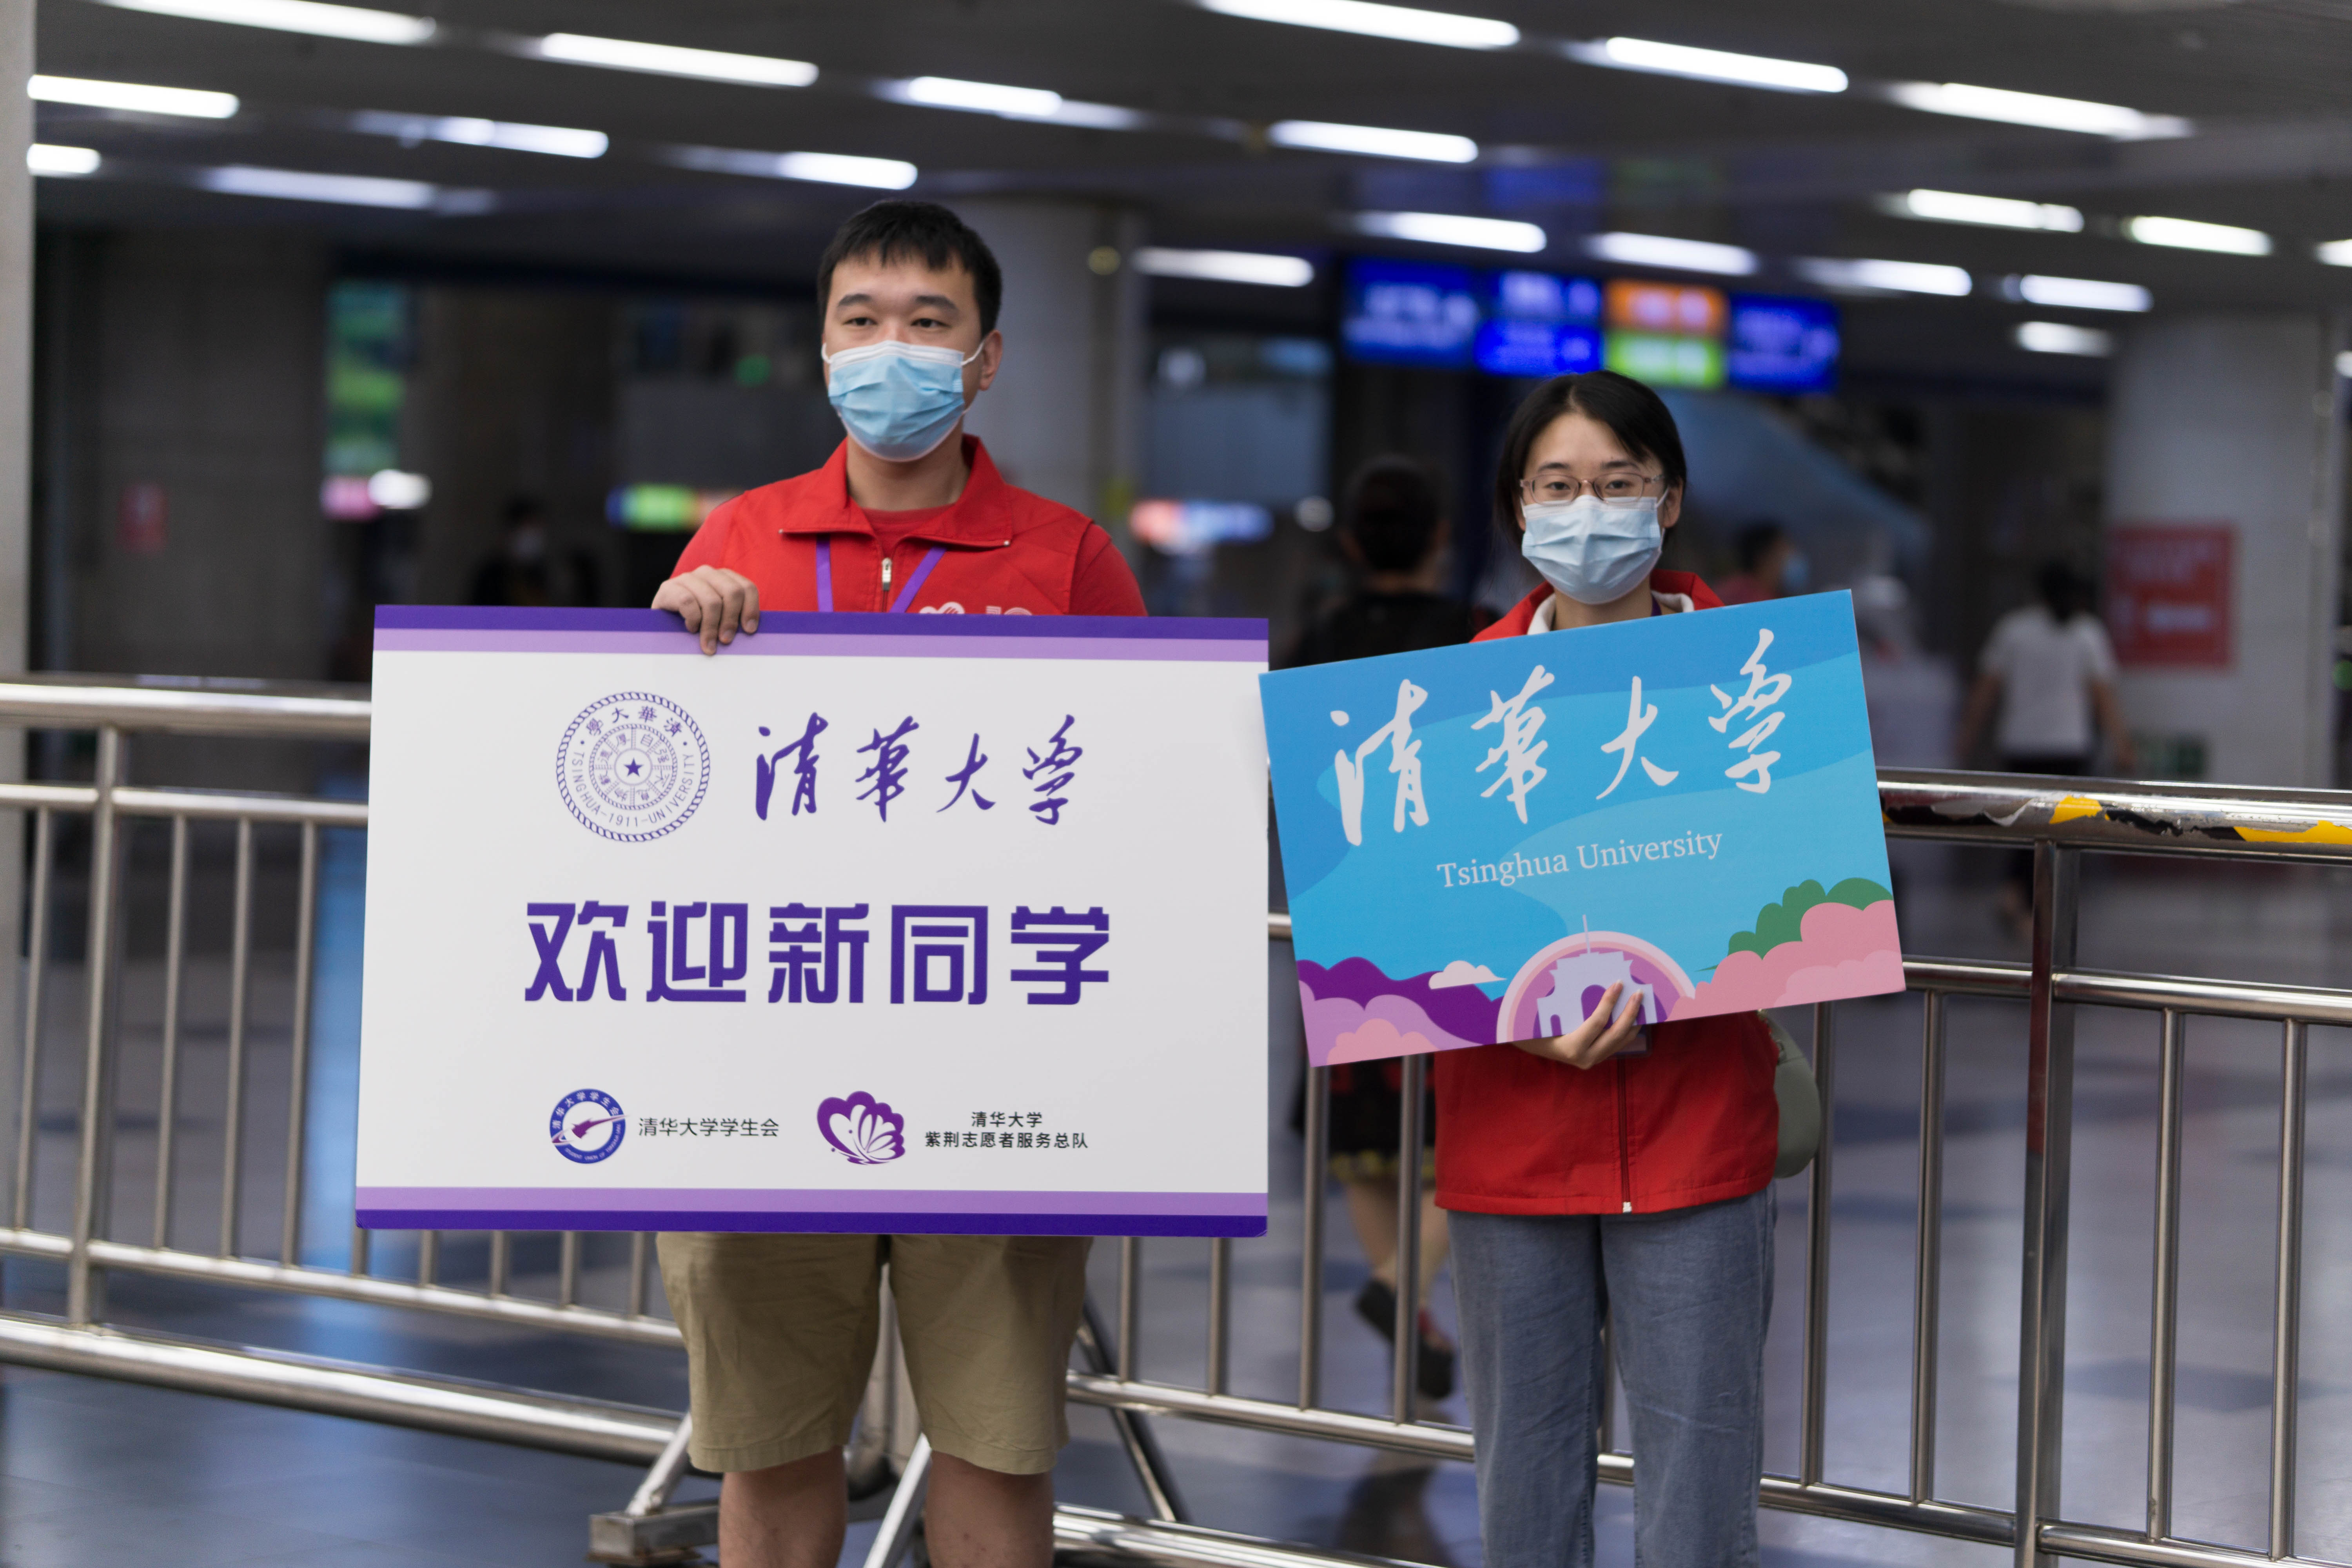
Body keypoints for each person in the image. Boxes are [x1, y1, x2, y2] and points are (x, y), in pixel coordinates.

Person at [648, 199, 1145, 1568]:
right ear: (822, 347)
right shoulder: (736, 542)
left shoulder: (1066, 559)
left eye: (928, 323)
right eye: (861, 321)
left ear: (985, 357)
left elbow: (1143, 800)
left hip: (994, 1063)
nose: (891, 350)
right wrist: (663, 637)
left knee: (994, 1446)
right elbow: (654, 789)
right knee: (769, 1446)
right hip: (757, 1064)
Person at [1440, 370, 1780, 1568]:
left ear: (1668, 500)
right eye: (1557, 485)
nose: (1587, 511)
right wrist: (1507, 1006)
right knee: (1524, 1492)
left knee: (1700, 1495)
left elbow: (1804, 891)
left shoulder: (1755, 689)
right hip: (1510, 1135)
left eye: (1617, 482)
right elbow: (1410, 931)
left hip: (1698, 1129)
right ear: (1517, 508)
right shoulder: (1444, 708)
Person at [1282, 456, 1469, 1399]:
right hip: (1453, 911)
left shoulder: (1316, 644)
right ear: (1440, 536)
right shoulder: (1479, 635)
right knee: (1466, 1125)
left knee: (1364, 1139)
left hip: (1346, 918)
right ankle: (1403, 1285)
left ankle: (1407, 1304)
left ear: (1354, 542)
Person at [1958, 559, 2136, 927]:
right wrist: (2121, 743)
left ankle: (2020, 898)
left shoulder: (2014, 630)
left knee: (2025, 825)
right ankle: (2031, 904)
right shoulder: (2087, 633)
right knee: (2054, 830)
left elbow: (1986, 689)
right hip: (2067, 747)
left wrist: (1967, 735)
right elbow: (2103, 695)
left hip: (2022, 745)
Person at [1717, 519, 1806, 605]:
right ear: (1765, 556)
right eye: (1784, 551)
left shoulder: (1775, 596)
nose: (1791, 557)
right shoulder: (1735, 593)